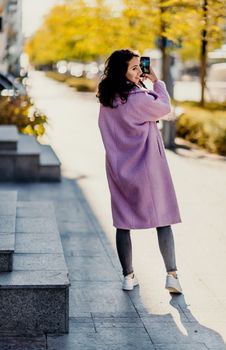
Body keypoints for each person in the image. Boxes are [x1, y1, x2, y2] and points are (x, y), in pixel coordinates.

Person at [97, 49, 182, 293]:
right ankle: (172, 275)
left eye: (139, 67)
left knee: (123, 222)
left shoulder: (107, 100)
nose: (139, 71)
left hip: (119, 167)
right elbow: (164, 107)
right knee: (163, 218)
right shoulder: (139, 98)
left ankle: (128, 276)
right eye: (134, 68)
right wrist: (156, 81)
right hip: (149, 167)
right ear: (121, 71)